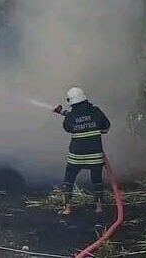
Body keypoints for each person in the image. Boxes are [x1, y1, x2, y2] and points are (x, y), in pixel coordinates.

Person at [53, 86, 110, 215]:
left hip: (76, 156)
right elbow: (106, 128)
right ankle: (99, 206)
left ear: (71, 101)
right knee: (96, 179)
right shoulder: (96, 111)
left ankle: (67, 208)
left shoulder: (71, 116)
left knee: (69, 179)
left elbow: (68, 127)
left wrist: (65, 114)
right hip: (95, 154)